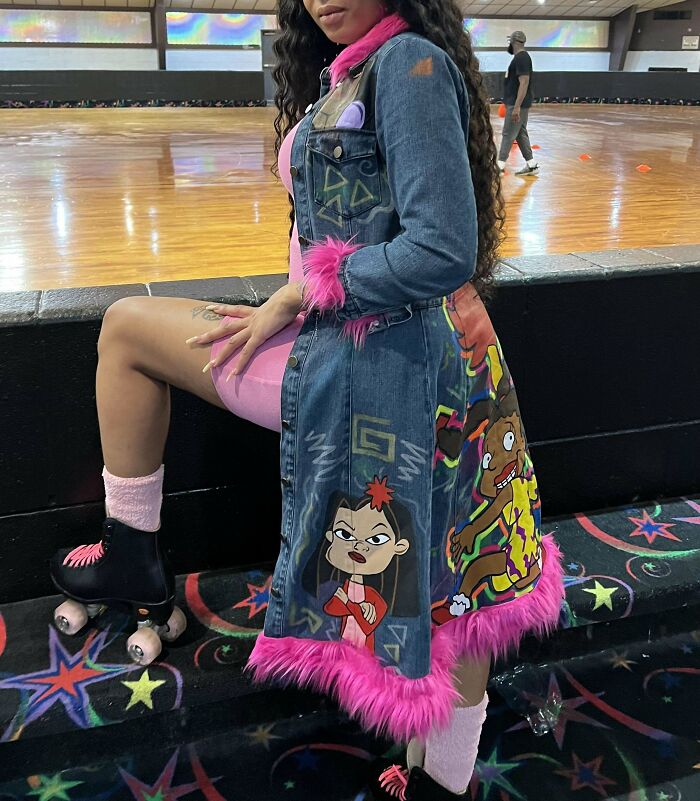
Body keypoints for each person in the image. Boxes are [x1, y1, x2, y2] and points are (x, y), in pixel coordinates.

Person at [49, 1, 565, 798]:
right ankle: (447, 783)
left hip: (382, 365)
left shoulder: (406, 65)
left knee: (125, 330)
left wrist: (303, 292)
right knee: (462, 575)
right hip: (418, 359)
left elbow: (439, 245)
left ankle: (131, 552)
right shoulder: (372, 65)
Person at [497, 30, 539, 176]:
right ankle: (532, 165)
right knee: (520, 133)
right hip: (517, 104)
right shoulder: (520, 58)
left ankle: (500, 166)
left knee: (508, 133)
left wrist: (516, 107)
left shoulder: (521, 58)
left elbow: (524, 82)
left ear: (514, 42)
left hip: (517, 105)